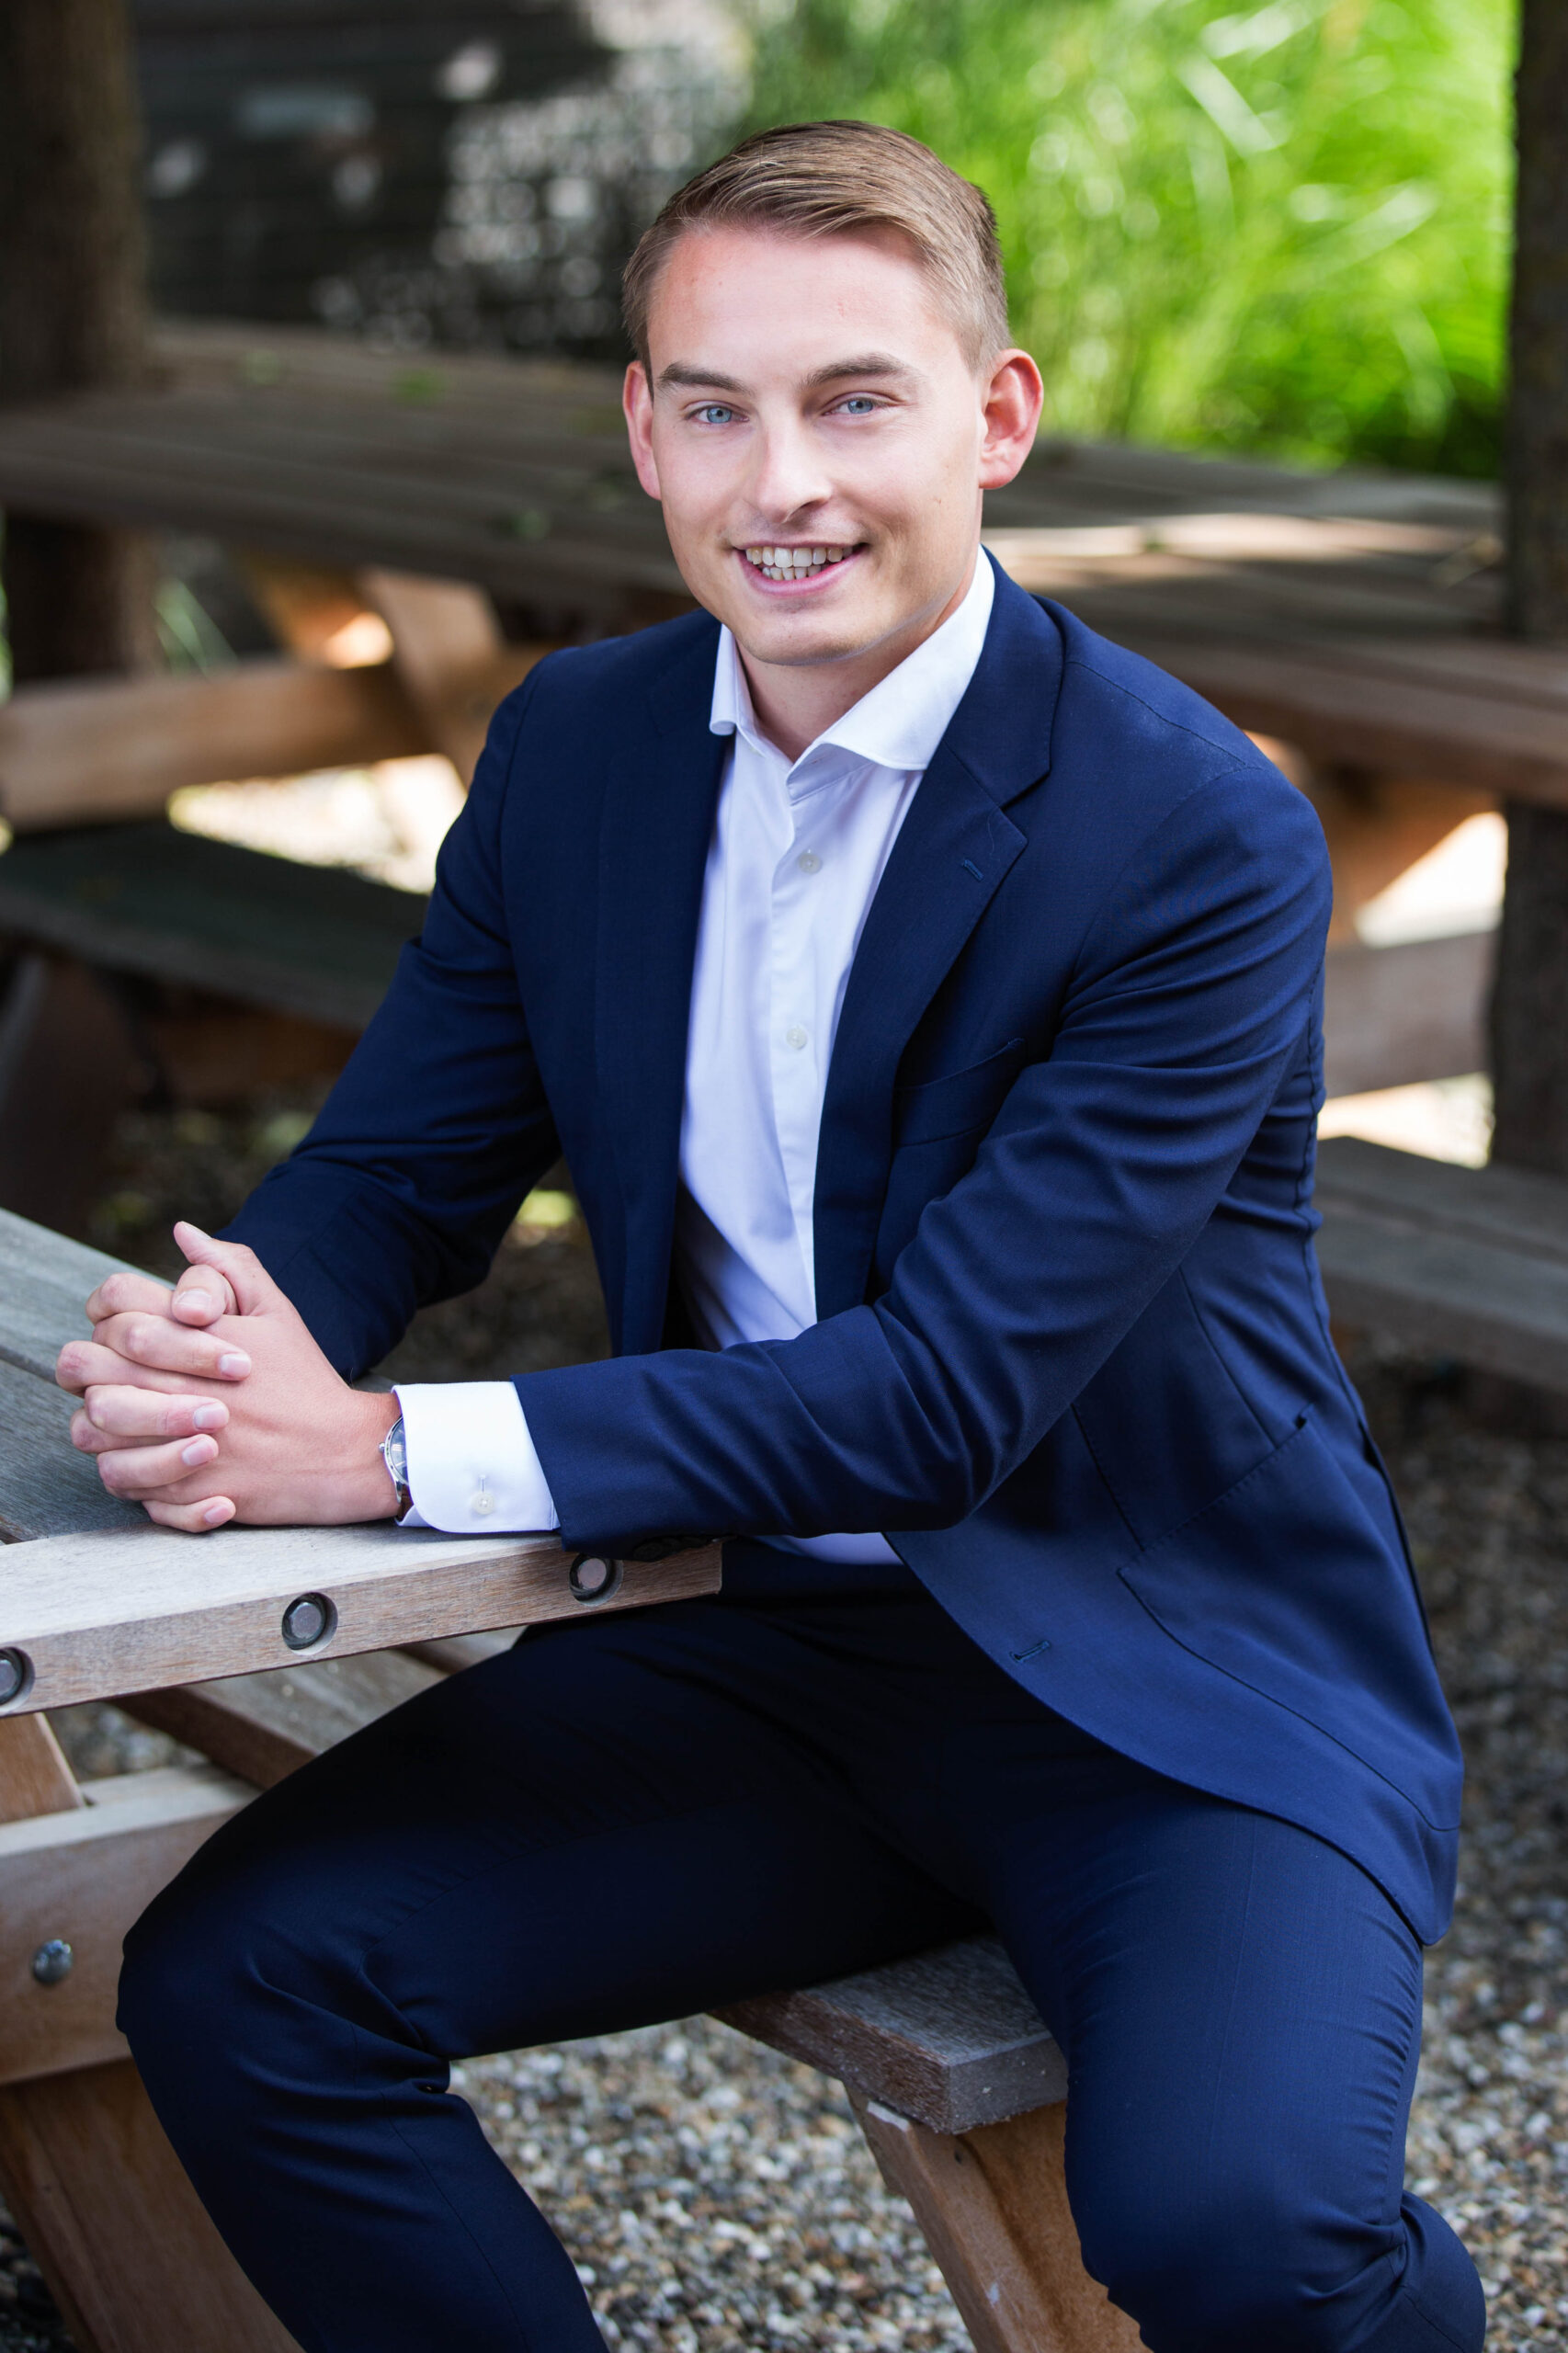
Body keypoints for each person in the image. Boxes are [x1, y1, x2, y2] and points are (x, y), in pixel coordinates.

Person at [57, 121, 1483, 2353]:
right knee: (245, 1981)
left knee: (1239, 2231)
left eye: (853, 401)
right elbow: (399, 1171)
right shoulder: (579, 747)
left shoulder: (1189, 831)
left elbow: (941, 1395)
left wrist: (389, 1449)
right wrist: (234, 1333)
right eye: (715, 407)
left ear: (995, 418)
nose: (779, 481)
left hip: (1164, 1678)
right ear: (641, 429)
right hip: (762, 1649)